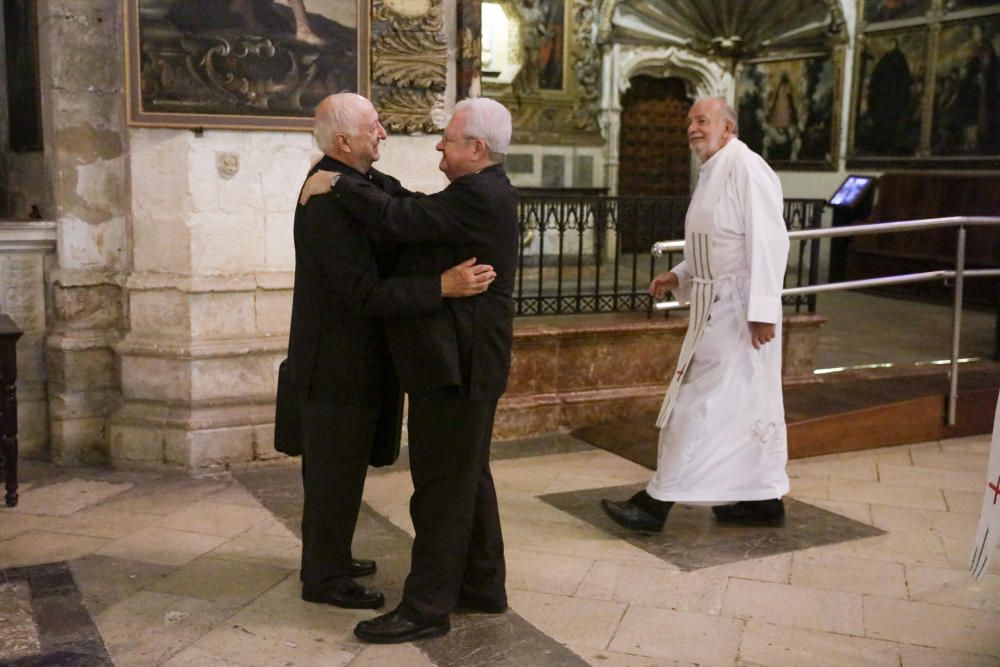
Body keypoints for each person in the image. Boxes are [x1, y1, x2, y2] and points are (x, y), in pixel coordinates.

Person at [299, 97, 519, 643]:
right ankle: (482, 585)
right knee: (468, 477)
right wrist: (332, 177)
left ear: (478, 149)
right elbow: (411, 204)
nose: (437, 144)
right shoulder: (478, 191)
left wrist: (340, 183)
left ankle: (426, 608)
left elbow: (404, 217)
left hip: (458, 366)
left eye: (448, 137)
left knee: (442, 489)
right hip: (462, 363)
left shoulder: (478, 196)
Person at [601, 97, 790, 532]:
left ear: (728, 128)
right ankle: (762, 500)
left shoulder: (747, 167)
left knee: (695, 405)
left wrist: (762, 310)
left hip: (739, 312)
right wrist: (680, 275)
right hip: (714, 305)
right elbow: (718, 243)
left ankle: (655, 503)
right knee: (740, 404)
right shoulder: (713, 170)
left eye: (701, 120)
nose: (691, 128)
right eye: (689, 121)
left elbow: (766, 243)